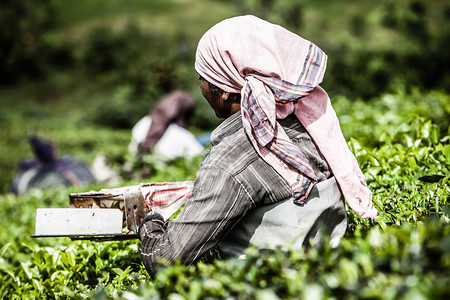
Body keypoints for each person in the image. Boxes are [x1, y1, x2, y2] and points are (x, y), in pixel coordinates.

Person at [138, 15, 378, 277]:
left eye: (203, 78)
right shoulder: (310, 123)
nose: (202, 88)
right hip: (337, 274)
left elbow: (165, 262)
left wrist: (150, 224)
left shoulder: (229, 163)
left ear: (225, 90)